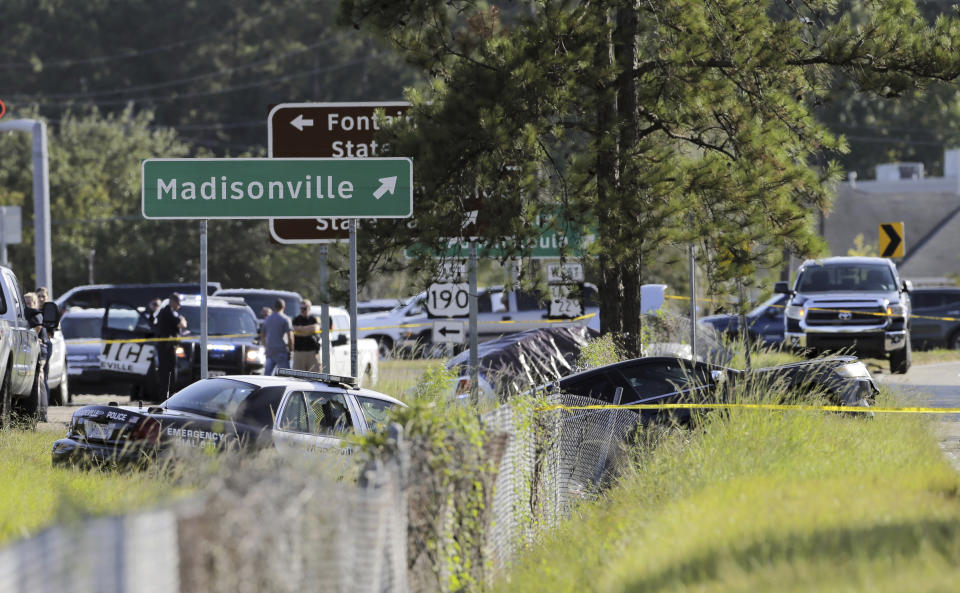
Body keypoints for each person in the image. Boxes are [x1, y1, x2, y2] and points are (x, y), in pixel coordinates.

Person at [155, 293, 187, 398]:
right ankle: (169, 395)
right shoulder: (169, 312)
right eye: (178, 302)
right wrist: (182, 318)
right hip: (168, 347)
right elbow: (182, 325)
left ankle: (164, 395)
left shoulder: (165, 311)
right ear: (172, 301)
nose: (179, 305)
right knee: (170, 372)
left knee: (165, 372)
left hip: (164, 346)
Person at [23, 292, 48, 421]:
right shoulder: (34, 313)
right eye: (25, 303)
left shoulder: (35, 314)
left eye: (30, 303)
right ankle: (41, 412)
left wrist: (31, 336)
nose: (27, 306)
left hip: (40, 351)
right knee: (39, 382)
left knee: (38, 382)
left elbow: (37, 327)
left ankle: (40, 413)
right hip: (37, 349)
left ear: (35, 303)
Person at [260, 298, 293, 376]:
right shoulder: (286, 319)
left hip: (270, 351)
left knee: (267, 375)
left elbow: (262, 335)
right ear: (284, 307)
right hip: (281, 351)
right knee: (285, 376)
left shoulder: (267, 319)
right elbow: (290, 336)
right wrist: (291, 349)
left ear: (274, 307)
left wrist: (266, 347)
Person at [292, 299, 321, 372]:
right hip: (299, 352)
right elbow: (293, 329)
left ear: (309, 308)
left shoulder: (314, 319)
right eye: (301, 308)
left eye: (304, 308)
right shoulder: (296, 319)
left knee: (315, 377)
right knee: (298, 377)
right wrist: (308, 330)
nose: (302, 310)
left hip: (312, 352)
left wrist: (300, 329)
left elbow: (315, 328)